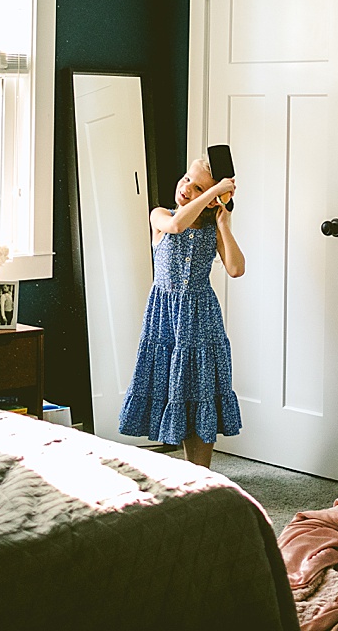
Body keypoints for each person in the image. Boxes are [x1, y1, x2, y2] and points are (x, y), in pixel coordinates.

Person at [117, 155, 244, 467]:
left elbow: (236, 268)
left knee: (200, 386)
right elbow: (176, 224)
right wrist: (211, 194)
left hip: (201, 316)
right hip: (166, 315)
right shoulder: (161, 216)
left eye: (198, 186)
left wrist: (223, 225)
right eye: (187, 179)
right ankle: (180, 468)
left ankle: (201, 472)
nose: (187, 188)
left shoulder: (210, 229)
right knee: (170, 382)